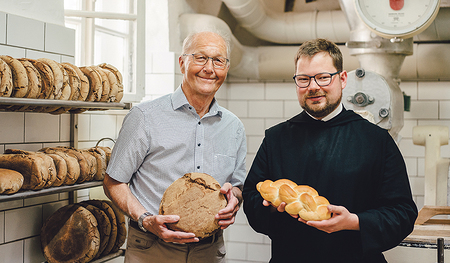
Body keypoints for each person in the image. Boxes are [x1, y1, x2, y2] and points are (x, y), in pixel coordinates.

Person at [242, 38, 417, 263]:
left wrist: (355, 221)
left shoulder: (376, 140)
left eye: (323, 77)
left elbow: (402, 213)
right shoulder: (276, 138)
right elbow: (252, 198)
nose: (313, 87)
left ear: (342, 79)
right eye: (303, 79)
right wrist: (273, 208)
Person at [103, 30, 247, 263]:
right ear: (182, 63)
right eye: (200, 57)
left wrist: (234, 201)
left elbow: (238, 187)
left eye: (218, 60)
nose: (209, 68)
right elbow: (114, 182)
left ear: (226, 68)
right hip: (152, 248)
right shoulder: (144, 117)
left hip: (210, 252)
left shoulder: (234, 127)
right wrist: (146, 219)